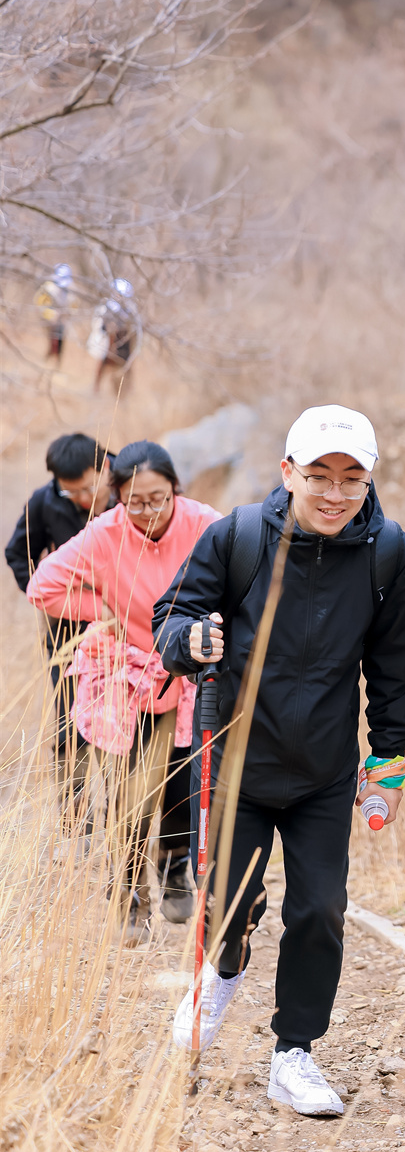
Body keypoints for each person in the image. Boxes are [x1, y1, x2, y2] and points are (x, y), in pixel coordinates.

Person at [153, 405, 405, 1118]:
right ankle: (222, 974)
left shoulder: (388, 554)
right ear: (288, 472)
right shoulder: (237, 536)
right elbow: (171, 616)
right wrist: (190, 642)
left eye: (351, 478)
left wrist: (388, 764)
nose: (335, 493)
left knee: (320, 911)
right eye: (319, 476)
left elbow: (391, 672)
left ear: (369, 480)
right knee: (227, 906)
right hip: (235, 765)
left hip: (324, 775)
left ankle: (293, 1054)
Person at [26, 441, 221, 942]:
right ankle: (131, 898)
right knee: (130, 792)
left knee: (182, 783)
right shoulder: (104, 534)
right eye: (135, 502)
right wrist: (104, 610)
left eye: (159, 499)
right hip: (132, 676)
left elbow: (247, 577)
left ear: (175, 489)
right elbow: (42, 587)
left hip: (191, 673)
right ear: (118, 497)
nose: (149, 512)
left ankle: (176, 868)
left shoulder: (204, 523)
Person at [5, 433, 113, 769]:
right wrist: (45, 596)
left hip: (123, 626)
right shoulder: (44, 501)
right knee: (71, 722)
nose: (83, 498)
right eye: (71, 492)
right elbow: (18, 553)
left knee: (120, 724)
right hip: (66, 630)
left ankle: (125, 800)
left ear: (106, 467)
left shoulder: (131, 488)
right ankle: (72, 802)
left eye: (88, 488)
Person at [90, 278, 141, 394]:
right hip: (110, 341)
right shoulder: (108, 307)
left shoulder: (131, 309)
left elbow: (136, 328)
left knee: (126, 366)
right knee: (102, 361)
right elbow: (101, 326)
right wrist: (110, 328)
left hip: (125, 342)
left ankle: (125, 391)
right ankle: (96, 388)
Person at [33, 263, 74, 362]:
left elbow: (74, 304)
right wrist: (50, 314)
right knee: (50, 341)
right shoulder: (48, 288)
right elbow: (39, 304)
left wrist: (68, 313)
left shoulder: (70, 288)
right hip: (49, 321)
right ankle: (46, 359)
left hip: (62, 320)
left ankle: (57, 361)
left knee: (60, 342)